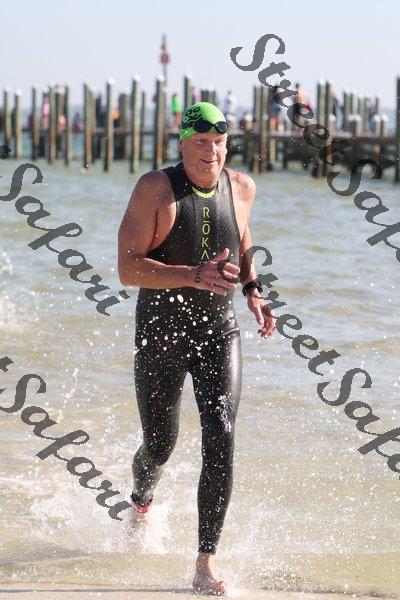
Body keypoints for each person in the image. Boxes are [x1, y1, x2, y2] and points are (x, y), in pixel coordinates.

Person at [118, 101, 276, 596]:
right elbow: (127, 268)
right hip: (161, 333)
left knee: (221, 433)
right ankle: (140, 501)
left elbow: (242, 234)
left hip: (218, 331)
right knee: (160, 444)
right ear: (183, 142)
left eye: (219, 142)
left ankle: (205, 562)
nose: (212, 152)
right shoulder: (155, 189)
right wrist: (192, 274)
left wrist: (253, 288)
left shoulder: (242, 187)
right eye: (201, 142)